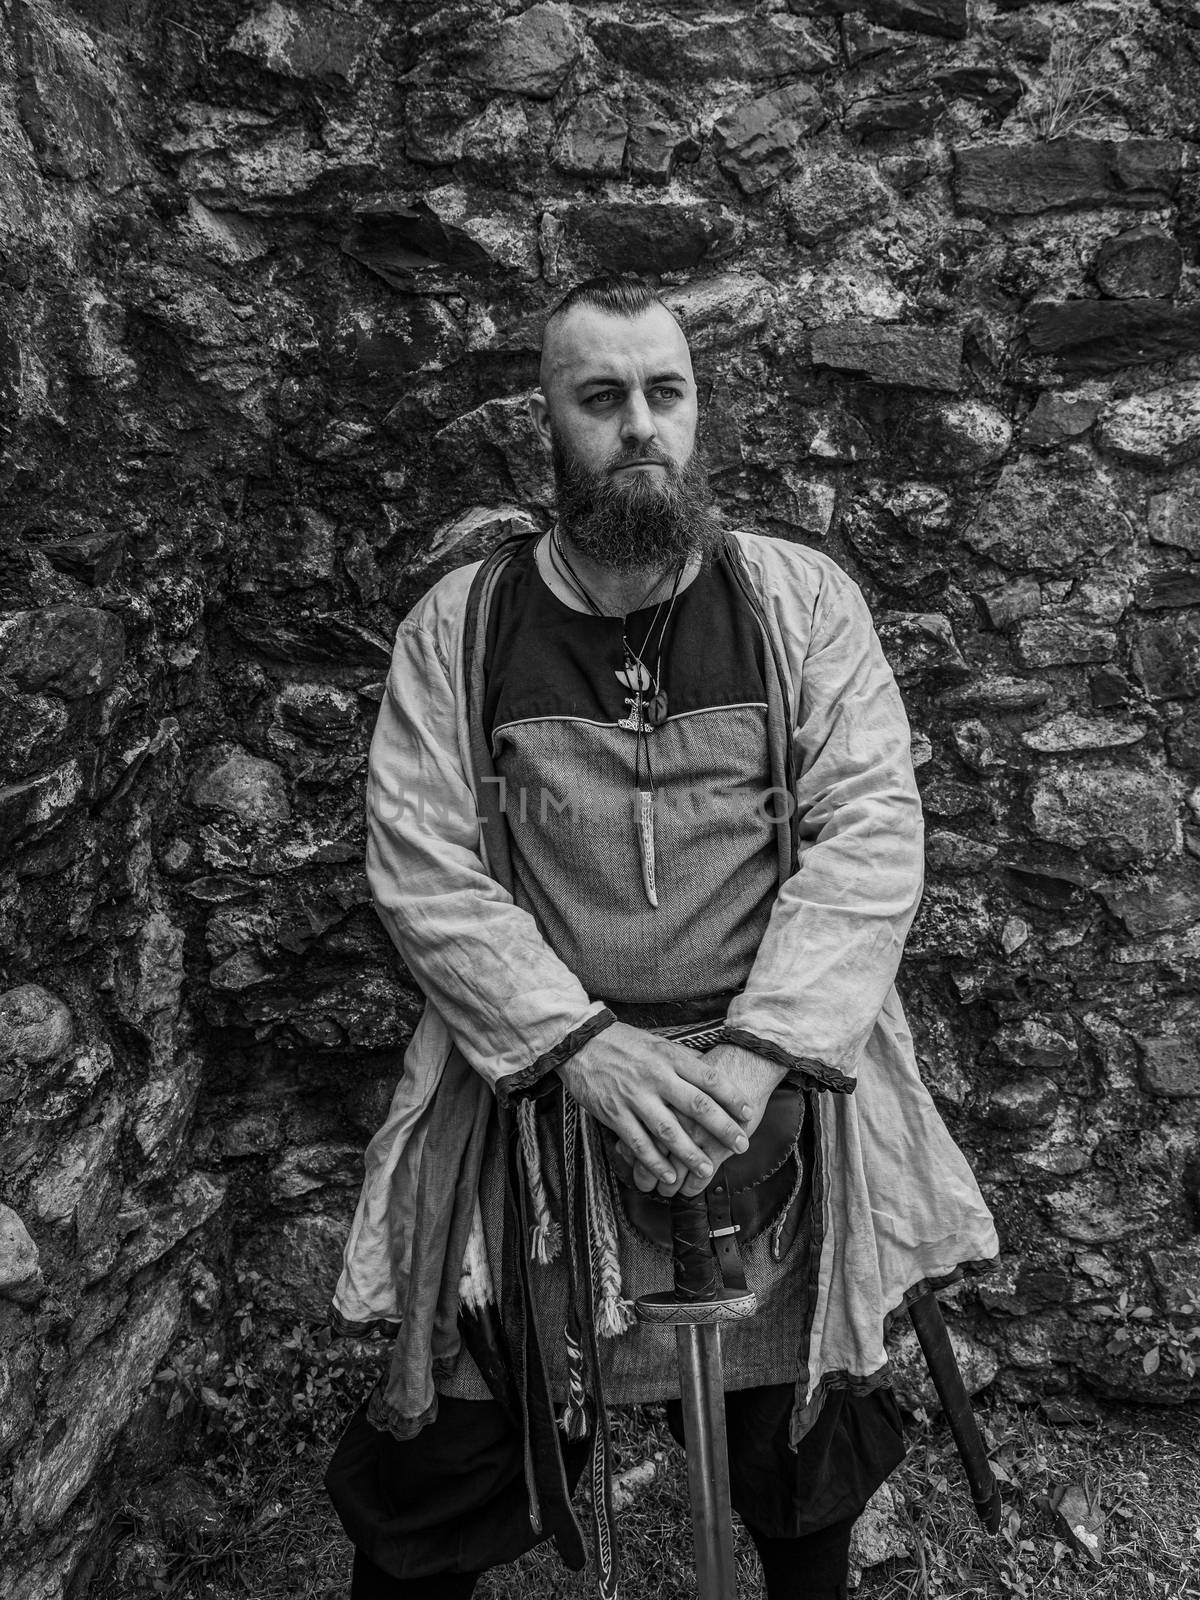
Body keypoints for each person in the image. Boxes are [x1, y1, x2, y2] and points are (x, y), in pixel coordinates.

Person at [324, 275, 1000, 1600]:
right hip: (540, 1130)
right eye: (603, 398)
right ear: (552, 425)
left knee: (800, 1464)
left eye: (664, 393)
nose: (640, 424)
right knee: (438, 1480)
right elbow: (426, 870)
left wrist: (752, 1061)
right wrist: (586, 1051)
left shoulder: (800, 604)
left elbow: (870, 840)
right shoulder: (460, 631)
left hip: (768, 1119)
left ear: (696, 411)